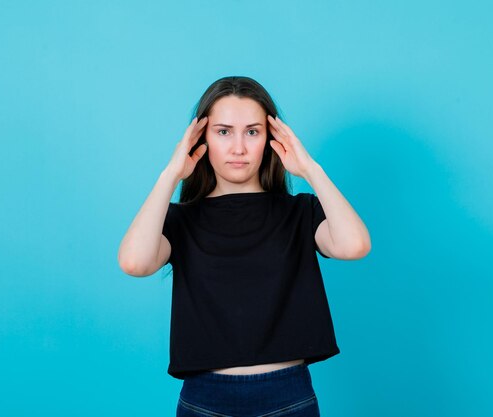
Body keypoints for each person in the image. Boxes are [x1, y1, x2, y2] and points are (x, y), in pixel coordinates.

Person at [118, 76, 371, 416]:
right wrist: (171, 174)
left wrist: (310, 169)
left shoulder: (300, 212)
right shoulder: (181, 221)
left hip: (288, 396)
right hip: (205, 399)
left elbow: (354, 245)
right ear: (201, 138)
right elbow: (135, 262)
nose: (238, 148)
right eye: (223, 131)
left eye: (252, 131)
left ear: (270, 139)